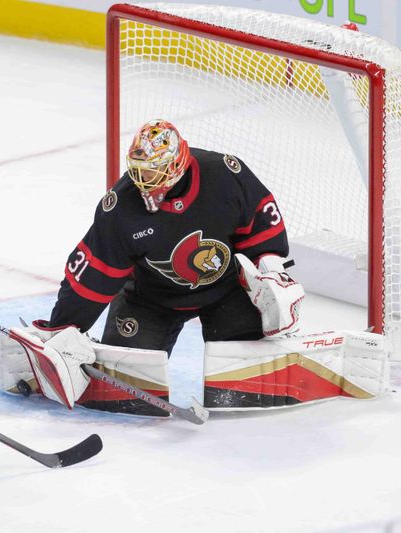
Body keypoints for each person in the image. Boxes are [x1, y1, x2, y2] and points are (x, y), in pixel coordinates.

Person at [19, 119, 304, 408]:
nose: (144, 177)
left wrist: (272, 270)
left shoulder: (224, 176)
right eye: (140, 168)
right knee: (125, 392)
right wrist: (62, 329)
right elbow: (93, 277)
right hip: (150, 298)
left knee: (246, 389)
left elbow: (261, 224)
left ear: (177, 163)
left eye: (153, 169)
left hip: (225, 291)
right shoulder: (120, 208)